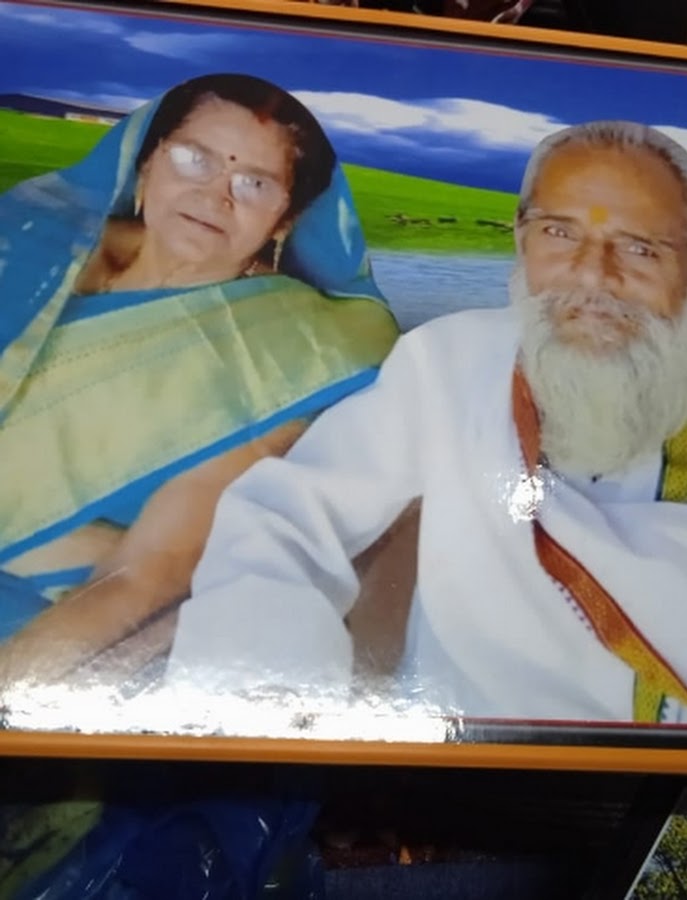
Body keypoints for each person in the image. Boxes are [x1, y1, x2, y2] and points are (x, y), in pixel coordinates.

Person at [166, 120, 687, 731]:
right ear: (522, 243)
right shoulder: (448, 363)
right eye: (560, 233)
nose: (592, 276)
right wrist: (272, 707)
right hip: (464, 760)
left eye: (640, 248)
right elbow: (285, 521)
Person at [0, 73, 399, 688]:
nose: (215, 196)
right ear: (146, 163)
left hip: (53, 619)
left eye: (254, 183)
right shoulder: (27, 243)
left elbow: (146, 575)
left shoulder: (286, 347)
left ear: (285, 218)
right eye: (194, 158)